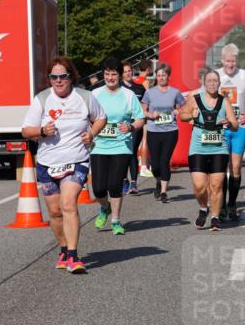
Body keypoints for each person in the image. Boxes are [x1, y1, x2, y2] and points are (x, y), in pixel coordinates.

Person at [22, 57, 106, 273]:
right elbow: (25, 131)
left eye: (63, 76)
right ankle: (63, 248)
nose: (58, 81)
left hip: (76, 160)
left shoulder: (85, 97)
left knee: (68, 204)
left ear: (71, 77)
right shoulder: (41, 99)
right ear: (49, 78)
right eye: (54, 77)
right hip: (47, 163)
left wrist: (91, 133)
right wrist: (41, 132)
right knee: (55, 212)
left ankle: (74, 256)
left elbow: (101, 118)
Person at [90, 57, 145, 235]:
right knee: (98, 188)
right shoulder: (95, 94)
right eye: (107, 74)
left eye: (113, 74)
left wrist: (130, 126)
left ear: (120, 76)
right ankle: (104, 207)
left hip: (121, 145)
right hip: (99, 145)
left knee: (114, 184)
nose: (110, 77)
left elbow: (140, 118)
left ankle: (115, 220)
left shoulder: (128, 95)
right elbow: (86, 116)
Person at [179, 69, 237, 231]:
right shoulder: (195, 99)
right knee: (199, 186)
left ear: (219, 84)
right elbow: (182, 116)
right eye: (209, 81)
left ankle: (215, 217)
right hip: (198, 148)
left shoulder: (224, 102)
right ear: (204, 83)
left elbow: (235, 125)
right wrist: (191, 114)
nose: (212, 83)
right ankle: (203, 208)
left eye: (215, 81)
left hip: (219, 148)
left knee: (217, 185)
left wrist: (229, 123)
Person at [215, 43, 245, 221]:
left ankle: (232, 203)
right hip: (222, 128)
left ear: (237, 60)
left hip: (239, 129)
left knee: (235, 167)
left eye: (233, 61)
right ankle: (222, 205)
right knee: (221, 168)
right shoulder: (216, 75)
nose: (230, 65)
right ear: (222, 61)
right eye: (227, 61)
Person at [142, 63, 186, 202]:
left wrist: (178, 111)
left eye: (164, 75)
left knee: (164, 161)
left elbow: (185, 107)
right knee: (155, 165)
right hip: (154, 130)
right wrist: (150, 115)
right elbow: (142, 110)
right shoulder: (149, 92)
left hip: (170, 131)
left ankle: (164, 192)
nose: (161, 78)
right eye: (159, 75)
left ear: (168, 76)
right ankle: (158, 181)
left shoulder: (175, 92)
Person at [119, 61, 149, 192]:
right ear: (121, 74)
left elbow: (144, 106)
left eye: (129, 70)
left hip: (135, 125)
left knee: (132, 151)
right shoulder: (118, 88)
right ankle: (124, 179)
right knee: (122, 152)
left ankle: (133, 183)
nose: (128, 73)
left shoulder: (140, 88)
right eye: (125, 71)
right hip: (120, 126)